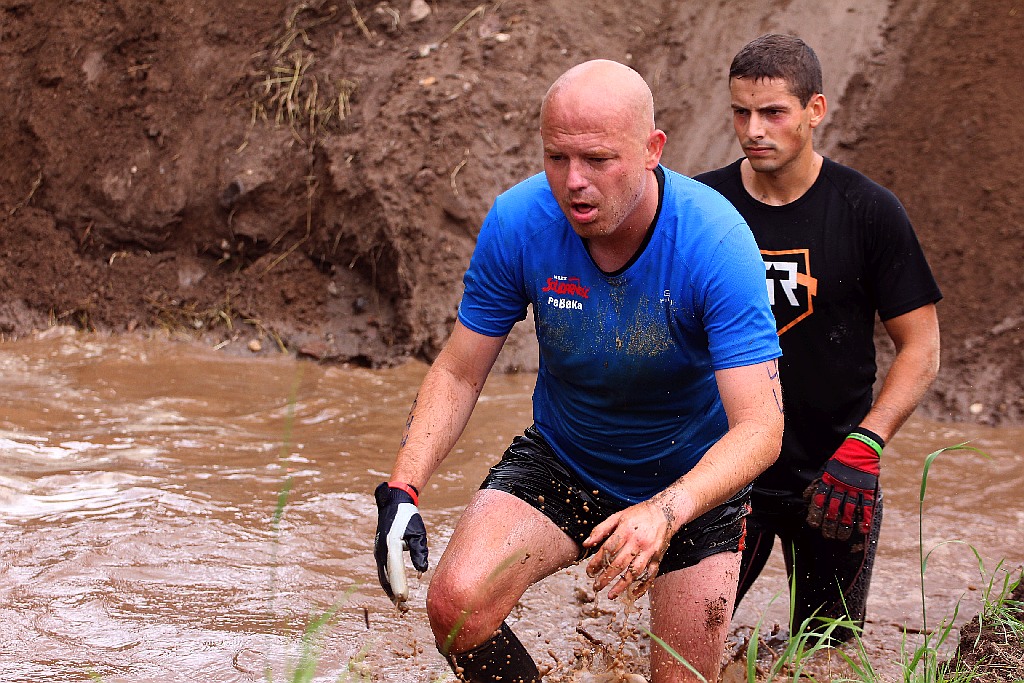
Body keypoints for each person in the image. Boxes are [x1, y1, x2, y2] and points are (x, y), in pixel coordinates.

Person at [373, 59, 784, 682]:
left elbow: (761, 429)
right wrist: (403, 489)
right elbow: (459, 371)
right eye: (556, 158)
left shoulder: (716, 242)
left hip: (691, 482)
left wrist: (666, 512)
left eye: (597, 160)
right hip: (566, 457)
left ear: (652, 150)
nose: (574, 183)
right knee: (456, 609)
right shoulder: (520, 222)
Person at [694, 34, 942, 643]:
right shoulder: (699, 206)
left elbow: (922, 347)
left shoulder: (869, 211)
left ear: (816, 110)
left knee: (825, 656)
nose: (754, 130)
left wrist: (868, 444)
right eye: (741, 112)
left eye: (773, 112)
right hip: (725, 475)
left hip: (836, 480)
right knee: (685, 650)